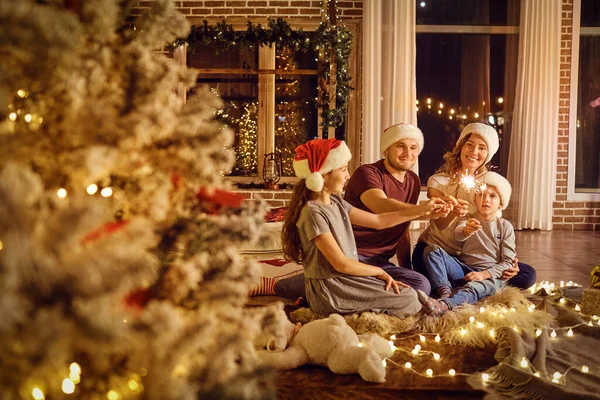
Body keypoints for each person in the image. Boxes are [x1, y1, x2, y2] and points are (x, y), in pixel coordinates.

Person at [274, 123, 449, 300]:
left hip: (379, 262)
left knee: (421, 285)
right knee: (406, 295)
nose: (408, 153)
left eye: (413, 148)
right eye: (400, 146)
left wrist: (405, 268)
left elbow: (392, 224)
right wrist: (422, 210)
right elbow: (380, 207)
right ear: (386, 149)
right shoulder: (367, 173)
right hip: (352, 257)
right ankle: (295, 285)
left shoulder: (412, 181)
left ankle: (366, 289)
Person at [412, 122, 536, 290]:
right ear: (461, 147)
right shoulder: (438, 181)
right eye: (469, 145)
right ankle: (473, 284)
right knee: (427, 273)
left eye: (482, 148)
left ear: (488, 154)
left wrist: (510, 262)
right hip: (437, 252)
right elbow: (440, 224)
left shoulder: (488, 183)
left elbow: (494, 223)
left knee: (527, 274)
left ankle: (468, 281)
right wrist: (454, 211)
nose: (474, 152)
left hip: (473, 259)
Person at [417, 172, 515, 315]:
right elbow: (459, 234)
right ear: (474, 200)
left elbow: (508, 261)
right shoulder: (468, 219)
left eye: (492, 196)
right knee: (431, 250)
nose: (485, 199)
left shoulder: (505, 227)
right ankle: (444, 290)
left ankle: (445, 305)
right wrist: (466, 231)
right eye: (480, 195)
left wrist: (484, 274)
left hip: (491, 277)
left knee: (475, 288)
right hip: (464, 270)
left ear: (501, 203)